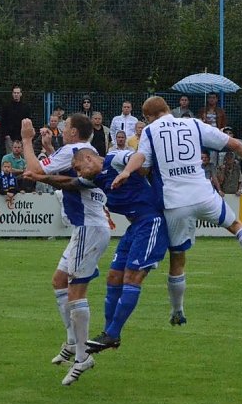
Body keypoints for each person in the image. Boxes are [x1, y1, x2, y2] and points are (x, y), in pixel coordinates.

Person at [111, 96, 242, 328]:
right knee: (236, 225)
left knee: (177, 259)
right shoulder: (194, 124)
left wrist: (128, 171)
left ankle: (177, 311)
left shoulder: (150, 131)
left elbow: (142, 161)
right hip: (203, 194)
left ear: (148, 117)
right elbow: (235, 144)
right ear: (168, 109)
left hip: (175, 202)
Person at [25, 147, 169, 356]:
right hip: (135, 227)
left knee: (131, 277)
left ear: (89, 158)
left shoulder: (114, 159)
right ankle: (109, 334)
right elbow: (69, 183)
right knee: (113, 277)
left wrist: (127, 172)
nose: (79, 173)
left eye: (78, 168)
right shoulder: (95, 179)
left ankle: (113, 333)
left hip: (150, 222)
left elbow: (139, 156)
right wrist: (40, 177)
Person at [21, 114, 110, 386]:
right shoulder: (87, 152)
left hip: (88, 227)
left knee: (75, 292)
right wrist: (48, 149)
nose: (61, 131)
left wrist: (27, 139)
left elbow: (36, 170)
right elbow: (64, 171)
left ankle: (83, 357)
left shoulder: (71, 149)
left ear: (72, 131)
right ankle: (73, 341)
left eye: (65, 127)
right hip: (87, 227)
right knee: (59, 281)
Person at [0, 86, 33, 154]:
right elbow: (3, 121)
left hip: (22, 137)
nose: (16, 94)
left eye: (18, 93)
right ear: (12, 94)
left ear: (21, 94)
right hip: (9, 137)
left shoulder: (26, 107)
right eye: (14, 93)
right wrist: (6, 135)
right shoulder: (7, 106)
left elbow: (28, 121)